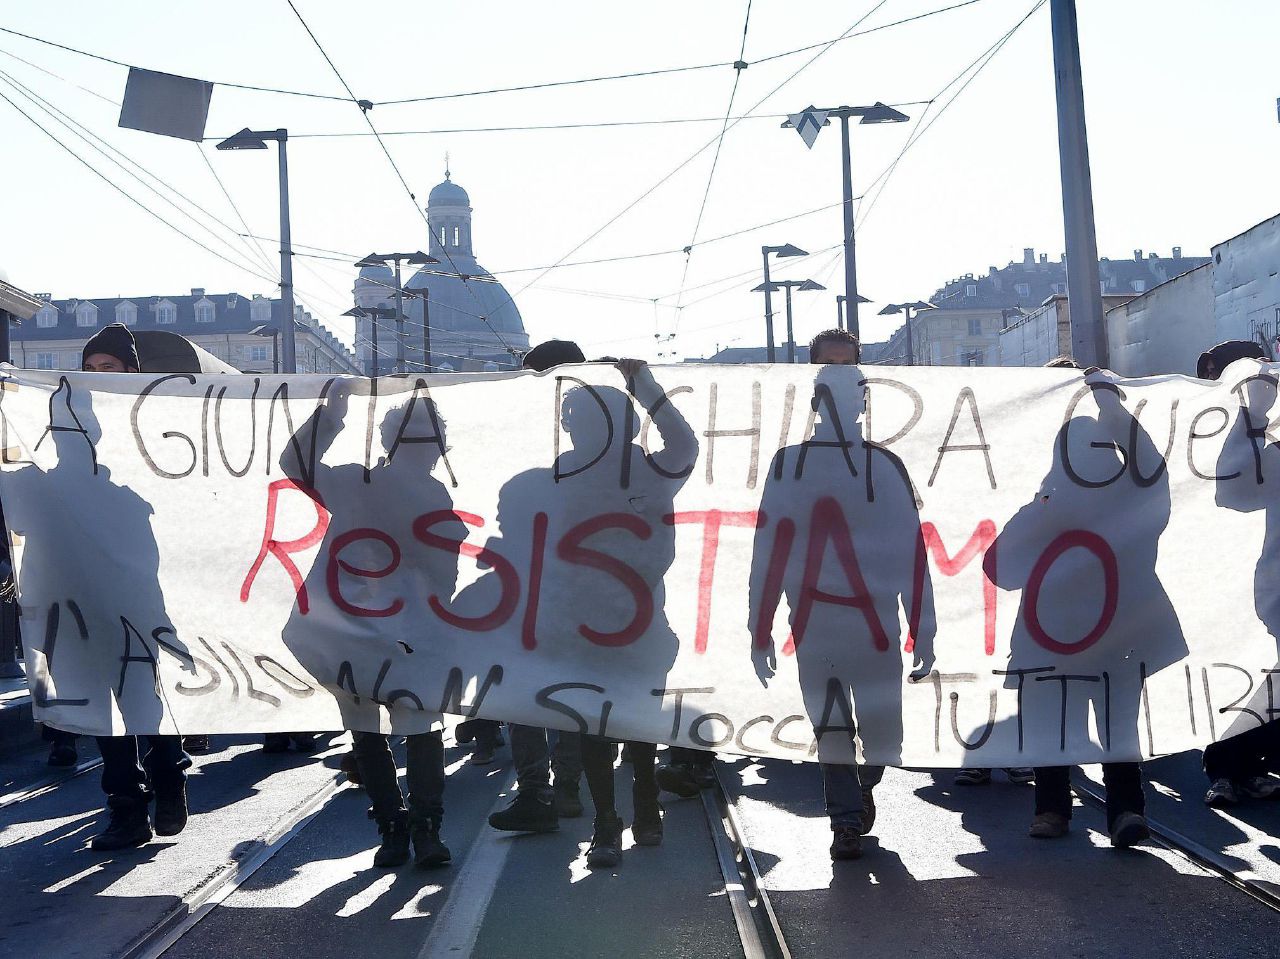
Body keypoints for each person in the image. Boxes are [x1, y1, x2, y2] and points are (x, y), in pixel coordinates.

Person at [751, 329, 937, 861]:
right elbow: (768, 551)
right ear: (814, 403)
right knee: (831, 726)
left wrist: (923, 628)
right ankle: (845, 818)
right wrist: (759, 629)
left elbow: (912, 553)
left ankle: (861, 791)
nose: (842, 405)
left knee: (883, 737)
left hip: (877, 626)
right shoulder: (789, 465)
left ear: (863, 403)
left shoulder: (886, 466)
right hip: (815, 624)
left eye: (851, 391)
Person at [81, 324, 194, 851]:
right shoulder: (70, 423)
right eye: (92, 366)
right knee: (104, 705)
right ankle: (126, 808)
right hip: (84, 583)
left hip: (146, 582)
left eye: (108, 367)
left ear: (131, 372)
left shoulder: (154, 423)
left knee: (145, 693)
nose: (98, 376)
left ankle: (168, 782)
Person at [485, 340, 589, 836]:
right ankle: (562, 788)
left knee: (525, 695)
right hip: (577, 597)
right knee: (565, 695)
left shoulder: (533, 460)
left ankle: (539, 790)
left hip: (539, 597)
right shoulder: (602, 458)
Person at [1201, 339, 1280, 806]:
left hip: (1269, 574)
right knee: (1232, 672)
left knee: (1267, 674)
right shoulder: (1217, 428)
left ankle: (1253, 766)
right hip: (1233, 577)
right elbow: (1230, 493)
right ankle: (1227, 769)